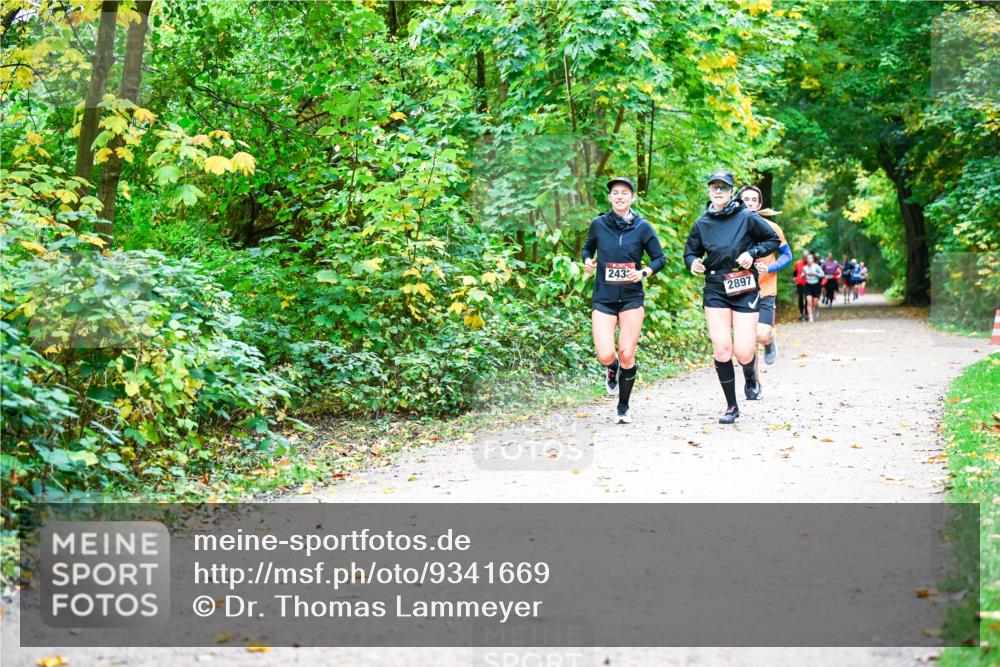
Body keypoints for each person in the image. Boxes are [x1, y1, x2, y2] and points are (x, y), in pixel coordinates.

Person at [684, 170, 780, 424]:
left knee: (744, 350)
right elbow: (690, 252)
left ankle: (750, 374)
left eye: (723, 188)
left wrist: (753, 253)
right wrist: (693, 262)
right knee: (722, 347)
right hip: (715, 287)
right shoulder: (702, 223)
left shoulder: (746, 217)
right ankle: (731, 406)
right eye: (714, 187)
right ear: (708, 191)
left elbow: (772, 240)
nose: (718, 191)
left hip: (744, 285)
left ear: (731, 191)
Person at [582, 176, 665, 424]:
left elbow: (659, 258)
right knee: (606, 354)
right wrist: (587, 260)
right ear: (610, 197)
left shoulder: (643, 227)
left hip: (631, 297)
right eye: (615, 192)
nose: (619, 196)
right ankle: (611, 367)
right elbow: (588, 248)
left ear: (632, 197)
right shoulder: (598, 224)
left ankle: (623, 407)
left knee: (627, 352)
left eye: (624, 192)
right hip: (604, 298)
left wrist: (643, 272)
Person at [737, 185, 792, 366]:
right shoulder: (731, 229)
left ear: (759, 204)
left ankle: (768, 340)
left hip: (765, 288)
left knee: (761, 335)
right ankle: (753, 381)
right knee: (745, 340)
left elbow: (787, 255)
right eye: (746, 199)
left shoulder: (772, 227)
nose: (750, 203)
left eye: (754, 200)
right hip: (740, 289)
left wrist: (770, 268)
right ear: (738, 202)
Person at [801, 252, 824, 321]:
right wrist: (803, 275)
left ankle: (816, 308)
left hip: (816, 285)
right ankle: (811, 317)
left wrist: (816, 274)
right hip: (808, 285)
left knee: (815, 302)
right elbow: (802, 276)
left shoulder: (816, 266)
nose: (809, 260)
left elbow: (822, 275)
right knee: (809, 301)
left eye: (810, 258)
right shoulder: (804, 268)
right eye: (808, 258)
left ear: (813, 259)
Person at [793, 249, 809, 321]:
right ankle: (801, 313)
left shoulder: (810, 264)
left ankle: (806, 313)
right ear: (803, 256)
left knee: (807, 299)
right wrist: (794, 278)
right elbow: (795, 273)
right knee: (800, 298)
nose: (805, 258)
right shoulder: (798, 263)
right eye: (804, 256)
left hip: (808, 283)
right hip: (800, 283)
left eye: (807, 256)